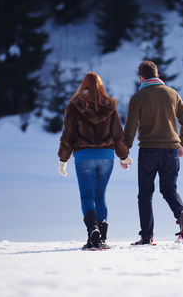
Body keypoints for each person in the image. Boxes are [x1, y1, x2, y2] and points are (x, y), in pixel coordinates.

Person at [58, 71, 133, 249]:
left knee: (87, 196)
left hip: (84, 156)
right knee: (100, 196)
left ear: (83, 85)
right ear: (100, 86)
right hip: (106, 157)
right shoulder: (110, 105)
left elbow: (68, 135)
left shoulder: (75, 105)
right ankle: (103, 236)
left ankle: (93, 230)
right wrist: (124, 155)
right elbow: (118, 134)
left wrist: (63, 159)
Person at [123, 60, 183, 245]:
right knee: (170, 190)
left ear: (141, 77)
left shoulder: (138, 97)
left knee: (145, 194)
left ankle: (147, 236)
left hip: (148, 151)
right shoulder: (172, 94)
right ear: (157, 75)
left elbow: (129, 130)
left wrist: (124, 153)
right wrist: (182, 143)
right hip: (171, 150)